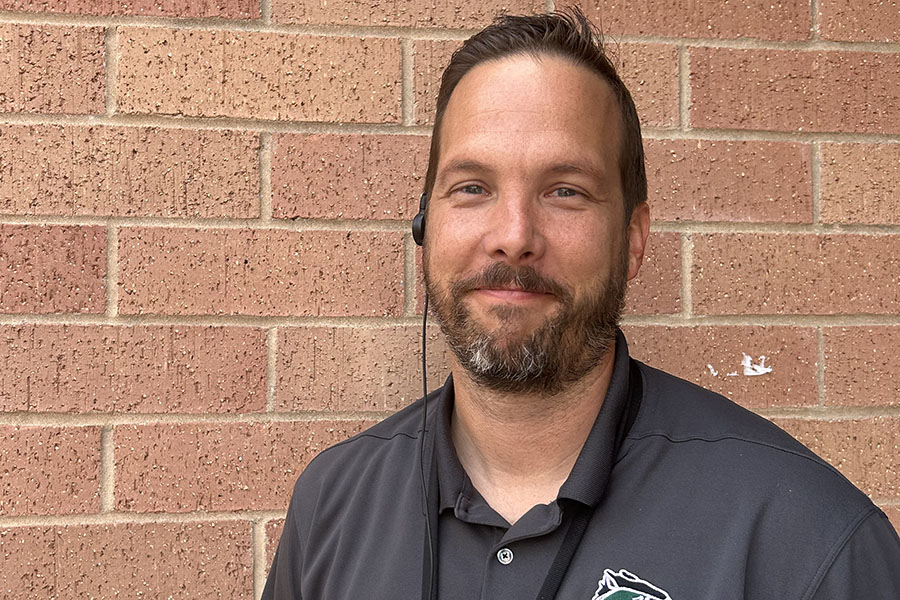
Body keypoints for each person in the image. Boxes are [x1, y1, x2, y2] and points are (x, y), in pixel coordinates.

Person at [263, 9, 900, 599]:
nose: (514, 235)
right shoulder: (331, 507)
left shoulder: (810, 545)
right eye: (472, 187)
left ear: (633, 240)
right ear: (426, 224)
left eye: (565, 190)